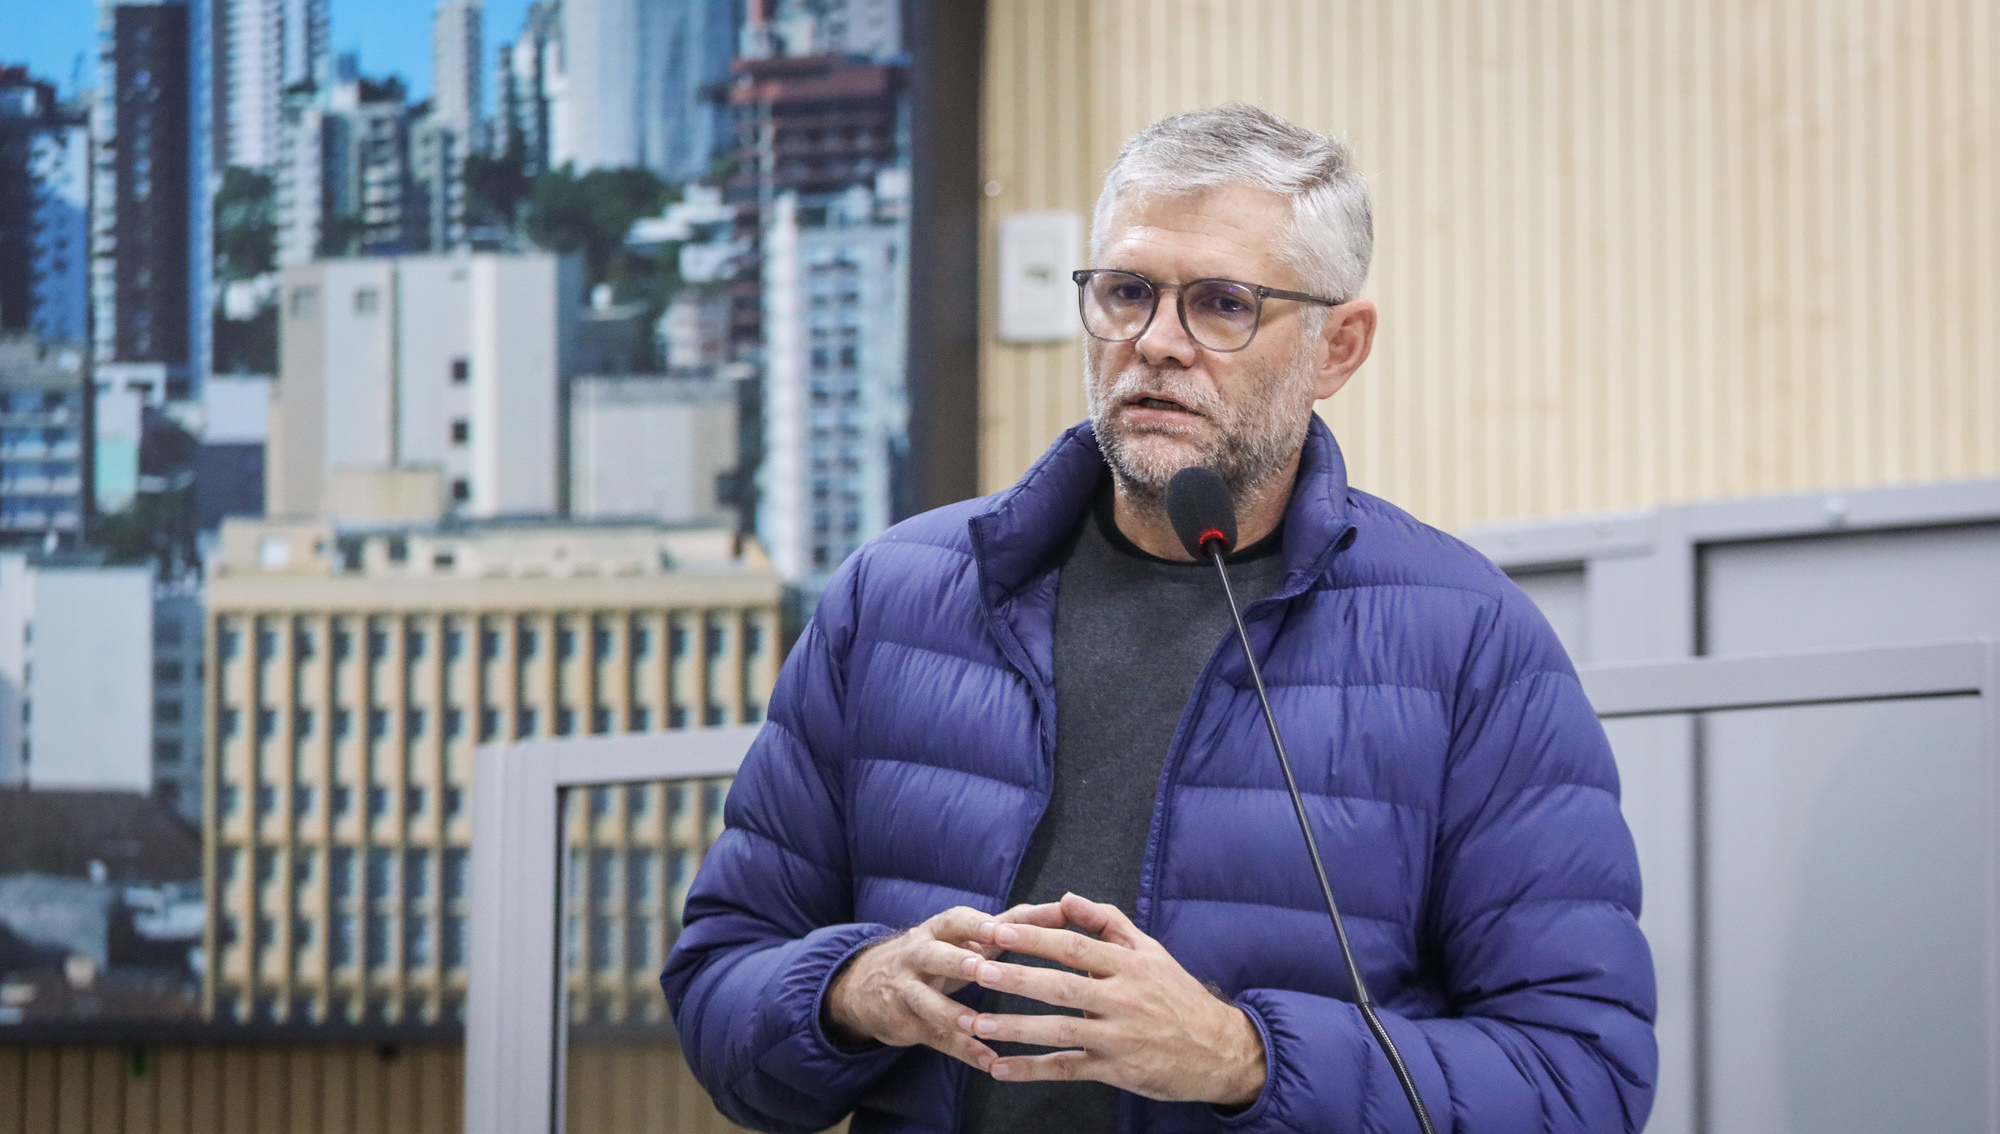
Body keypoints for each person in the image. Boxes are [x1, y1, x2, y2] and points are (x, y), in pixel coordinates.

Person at [663, 103, 1657, 1134]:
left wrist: (1241, 1058)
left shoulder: (1471, 643)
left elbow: (1579, 1082)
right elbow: (719, 989)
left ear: (1337, 346)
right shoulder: (896, 599)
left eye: (1223, 304)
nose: (1157, 343)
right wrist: (850, 991)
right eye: (1126, 292)